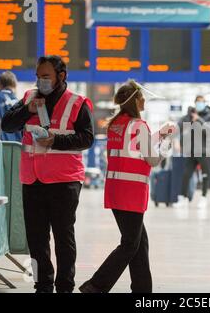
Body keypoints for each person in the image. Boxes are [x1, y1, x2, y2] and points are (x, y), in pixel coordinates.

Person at [2, 55, 94, 293]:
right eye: (38, 77)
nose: (40, 81)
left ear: (60, 76)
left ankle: (65, 286)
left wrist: (56, 141)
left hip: (64, 181)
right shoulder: (28, 98)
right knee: (36, 238)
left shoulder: (77, 102)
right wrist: (26, 110)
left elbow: (87, 138)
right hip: (32, 179)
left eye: (45, 77)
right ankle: (42, 284)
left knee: (63, 236)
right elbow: (7, 124)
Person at [79, 80, 173, 293]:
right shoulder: (138, 125)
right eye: (142, 96)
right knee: (130, 244)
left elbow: (139, 142)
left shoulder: (117, 124)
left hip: (116, 191)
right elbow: (152, 159)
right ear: (135, 101)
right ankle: (95, 286)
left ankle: (142, 290)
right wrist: (166, 142)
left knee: (140, 242)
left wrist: (159, 133)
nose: (144, 100)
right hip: (131, 193)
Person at [176, 95, 210, 208]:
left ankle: (203, 197)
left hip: (204, 151)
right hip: (191, 150)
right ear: (194, 103)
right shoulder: (189, 116)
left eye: (201, 102)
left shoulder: (209, 116)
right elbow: (179, 126)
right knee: (186, 174)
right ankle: (183, 198)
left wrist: (198, 119)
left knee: (205, 175)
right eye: (198, 102)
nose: (199, 104)